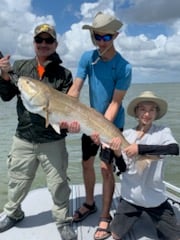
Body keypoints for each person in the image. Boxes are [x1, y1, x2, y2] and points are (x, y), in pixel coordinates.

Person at [0, 23, 79, 240]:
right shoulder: (20, 67)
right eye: (39, 40)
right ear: (34, 43)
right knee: (17, 181)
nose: (43, 44)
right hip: (23, 137)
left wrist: (71, 124)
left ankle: (62, 221)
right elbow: (6, 96)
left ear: (56, 44)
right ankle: (13, 213)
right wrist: (5, 76)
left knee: (59, 184)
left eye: (48, 40)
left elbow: (67, 109)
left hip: (53, 140)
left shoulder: (64, 74)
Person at [68, 12, 132, 240]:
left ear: (115, 36)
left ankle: (105, 216)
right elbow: (75, 89)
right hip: (89, 120)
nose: (101, 41)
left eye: (106, 37)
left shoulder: (124, 67)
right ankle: (89, 202)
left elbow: (115, 102)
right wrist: (67, 110)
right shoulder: (87, 57)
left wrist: (100, 129)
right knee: (86, 163)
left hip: (113, 123)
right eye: (97, 36)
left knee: (106, 168)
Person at [106, 91, 180, 240]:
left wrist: (139, 148)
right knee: (115, 234)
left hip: (156, 200)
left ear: (157, 112)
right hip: (131, 198)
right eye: (143, 109)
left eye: (151, 109)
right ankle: (130, 212)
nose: (147, 114)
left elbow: (174, 149)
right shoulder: (126, 135)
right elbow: (122, 169)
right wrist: (117, 153)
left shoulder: (163, 132)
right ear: (136, 112)